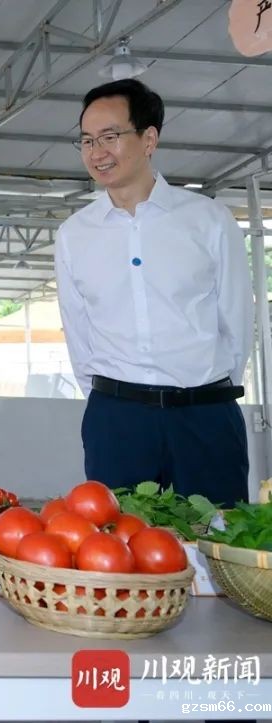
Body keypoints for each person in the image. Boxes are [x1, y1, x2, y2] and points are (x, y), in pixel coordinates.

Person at [56, 79, 255, 507]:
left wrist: (203, 393)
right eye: (87, 140)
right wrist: (115, 402)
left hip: (204, 415)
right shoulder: (74, 235)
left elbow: (237, 322)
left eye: (110, 136)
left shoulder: (208, 220)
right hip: (117, 420)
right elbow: (78, 334)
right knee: (118, 538)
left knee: (215, 534)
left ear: (149, 139)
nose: (97, 152)